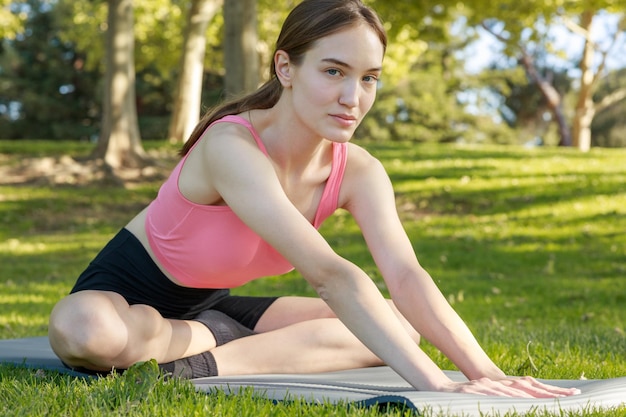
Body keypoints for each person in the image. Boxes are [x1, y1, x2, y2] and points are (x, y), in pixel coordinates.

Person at [48, 0, 579, 398]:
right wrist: (436, 388)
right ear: (286, 69)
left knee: (400, 327)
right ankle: (195, 340)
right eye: (334, 71)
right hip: (126, 297)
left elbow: (407, 275)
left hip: (217, 307)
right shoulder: (231, 145)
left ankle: (200, 359)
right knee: (85, 330)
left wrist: (487, 376)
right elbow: (331, 275)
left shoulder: (360, 172)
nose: (353, 98)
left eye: (368, 78)